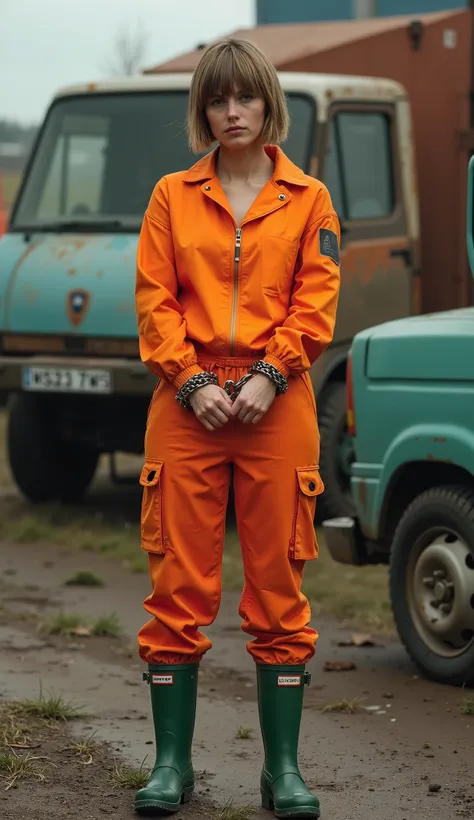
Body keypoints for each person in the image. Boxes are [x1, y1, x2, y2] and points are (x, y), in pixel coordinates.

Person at [134, 38, 341, 819]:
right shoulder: (170, 197)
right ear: (203, 110)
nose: (232, 113)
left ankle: (282, 771)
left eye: (244, 98)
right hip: (184, 410)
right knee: (178, 586)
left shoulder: (310, 200)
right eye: (217, 100)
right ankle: (170, 766)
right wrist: (188, 380)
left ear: (267, 103)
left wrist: (270, 373)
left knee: (279, 589)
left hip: (274, 405)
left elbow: (315, 303)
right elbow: (154, 302)